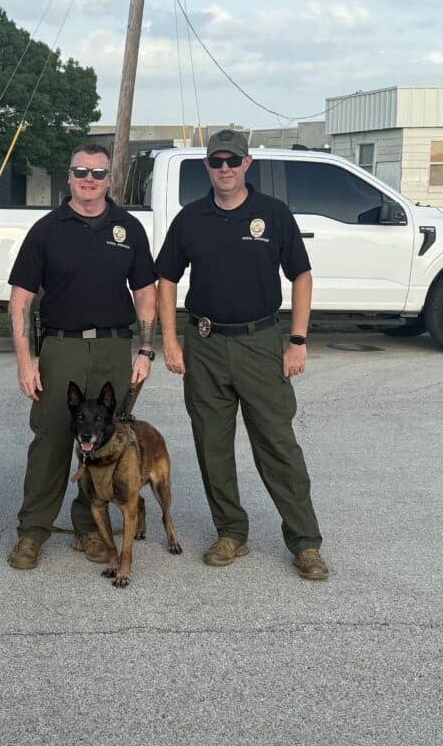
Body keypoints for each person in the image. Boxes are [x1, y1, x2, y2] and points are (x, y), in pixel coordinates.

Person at [154, 129, 328, 581]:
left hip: (260, 343)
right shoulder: (191, 219)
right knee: (212, 446)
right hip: (205, 345)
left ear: (247, 164)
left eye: (233, 161)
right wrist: (170, 340)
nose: (225, 168)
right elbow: (166, 279)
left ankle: (305, 542)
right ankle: (231, 532)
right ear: (207, 167)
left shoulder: (272, 214)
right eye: (217, 161)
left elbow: (302, 275)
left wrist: (297, 340)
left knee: (278, 446)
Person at [6, 143, 158, 570]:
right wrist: (25, 360)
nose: (88, 179)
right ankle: (32, 532)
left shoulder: (128, 229)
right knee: (52, 440)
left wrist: (146, 349)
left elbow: (145, 293)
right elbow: (20, 300)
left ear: (110, 179)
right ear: (69, 176)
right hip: (62, 347)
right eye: (80, 171)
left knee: (106, 442)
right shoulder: (47, 230)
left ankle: (87, 527)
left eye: (98, 173)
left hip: (114, 347)